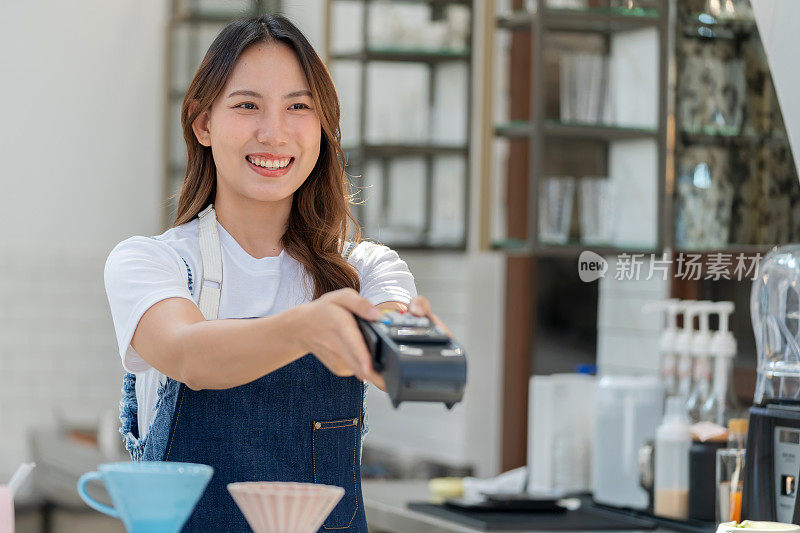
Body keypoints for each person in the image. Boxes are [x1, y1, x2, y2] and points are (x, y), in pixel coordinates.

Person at [103, 13, 451, 532]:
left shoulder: (365, 270)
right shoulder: (152, 263)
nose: (274, 133)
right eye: (247, 106)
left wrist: (414, 353)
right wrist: (308, 328)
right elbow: (187, 353)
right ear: (202, 123)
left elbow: (389, 349)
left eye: (299, 107)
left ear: (323, 126)